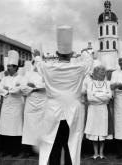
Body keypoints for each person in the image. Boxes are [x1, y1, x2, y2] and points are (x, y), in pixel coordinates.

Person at [36, 25, 93, 165]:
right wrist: (85, 52)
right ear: (71, 53)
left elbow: (38, 63)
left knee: (53, 145)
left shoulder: (47, 67)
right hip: (72, 111)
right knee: (71, 145)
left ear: (57, 52)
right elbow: (89, 61)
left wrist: (37, 54)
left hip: (52, 110)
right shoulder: (78, 67)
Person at [0, 50, 25, 156]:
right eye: (7, 66)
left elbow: (19, 89)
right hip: (6, 105)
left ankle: (15, 150)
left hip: (17, 105)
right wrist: (9, 90)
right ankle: (6, 150)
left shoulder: (21, 78)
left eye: (10, 66)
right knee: (5, 128)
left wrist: (7, 90)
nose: (8, 68)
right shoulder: (4, 78)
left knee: (16, 128)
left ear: (15, 67)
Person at [82, 65, 112, 159]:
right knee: (94, 131)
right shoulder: (90, 83)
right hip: (93, 110)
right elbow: (89, 98)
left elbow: (109, 96)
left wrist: (96, 95)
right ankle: (95, 153)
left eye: (103, 72)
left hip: (103, 110)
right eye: (100, 72)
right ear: (95, 73)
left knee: (102, 131)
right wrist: (103, 96)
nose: (102, 74)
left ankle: (101, 153)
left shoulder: (107, 83)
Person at [21, 59, 46, 157]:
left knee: (42, 126)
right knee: (29, 127)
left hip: (43, 102)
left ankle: (41, 150)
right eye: (35, 63)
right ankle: (28, 150)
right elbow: (23, 87)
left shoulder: (45, 74)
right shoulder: (28, 74)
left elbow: (47, 85)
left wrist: (33, 87)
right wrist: (38, 88)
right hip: (30, 102)